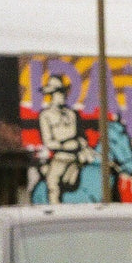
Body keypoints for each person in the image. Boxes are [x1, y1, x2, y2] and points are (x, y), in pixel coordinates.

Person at [38, 75, 94, 203]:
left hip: (78, 157)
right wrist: (66, 145)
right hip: (60, 158)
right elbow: (48, 142)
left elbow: (81, 135)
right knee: (53, 182)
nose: (63, 95)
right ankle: (55, 210)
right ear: (52, 94)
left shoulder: (72, 114)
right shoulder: (45, 115)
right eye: (59, 92)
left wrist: (82, 144)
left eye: (63, 92)